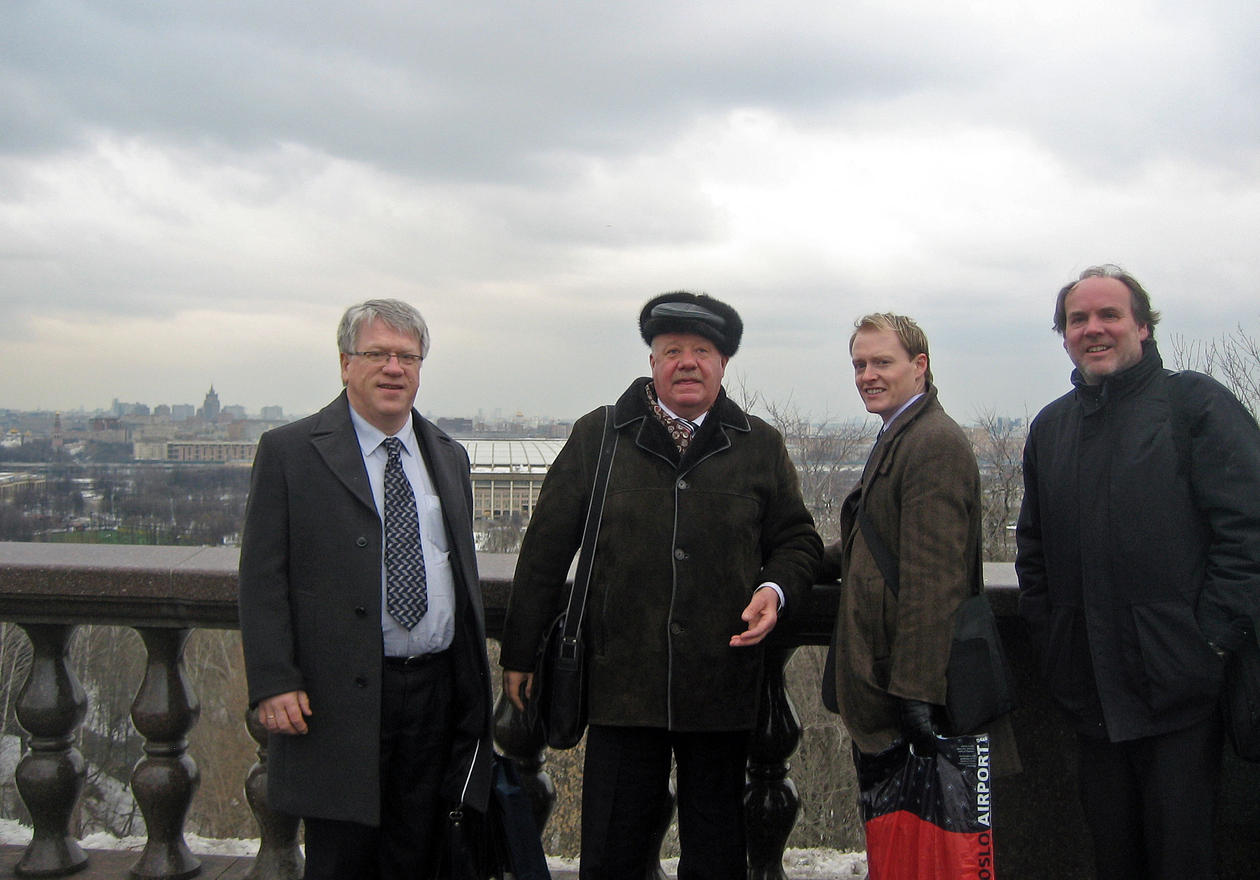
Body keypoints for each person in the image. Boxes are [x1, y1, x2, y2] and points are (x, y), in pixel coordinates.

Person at [499, 291, 822, 880]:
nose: (687, 362)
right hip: (622, 687)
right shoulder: (599, 436)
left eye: (702, 351)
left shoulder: (759, 446)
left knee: (719, 855)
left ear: (724, 365)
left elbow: (798, 540)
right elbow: (544, 552)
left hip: (721, 684)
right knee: (614, 853)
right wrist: (519, 654)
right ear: (652, 361)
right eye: (672, 350)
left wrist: (775, 590)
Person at [1016, 264, 1260, 879]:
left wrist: (1210, 638)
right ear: (1064, 334)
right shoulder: (1052, 427)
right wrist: (1055, 641)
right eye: (1078, 319)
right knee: (1110, 854)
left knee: (1183, 856)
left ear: (1143, 327)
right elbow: (1035, 551)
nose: (1093, 329)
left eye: (1109, 315)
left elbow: (1248, 529)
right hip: (1090, 689)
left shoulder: (1193, 405)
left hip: (1181, 689)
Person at [238, 299, 494, 880]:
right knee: (343, 856)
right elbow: (261, 576)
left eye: (407, 356)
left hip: (436, 693)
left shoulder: (448, 456)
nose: (393, 369)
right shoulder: (291, 452)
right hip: (337, 697)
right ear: (345, 363)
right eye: (377, 354)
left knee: (421, 851)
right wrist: (274, 680)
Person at [819, 313, 983, 758]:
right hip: (886, 682)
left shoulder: (933, 443)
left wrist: (917, 694)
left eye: (882, 363)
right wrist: (801, 558)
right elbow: (878, 540)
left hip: (899, 692)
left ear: (919, 365)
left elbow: (935, 580)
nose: (867, 376)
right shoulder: (902, 432)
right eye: (859, 365)